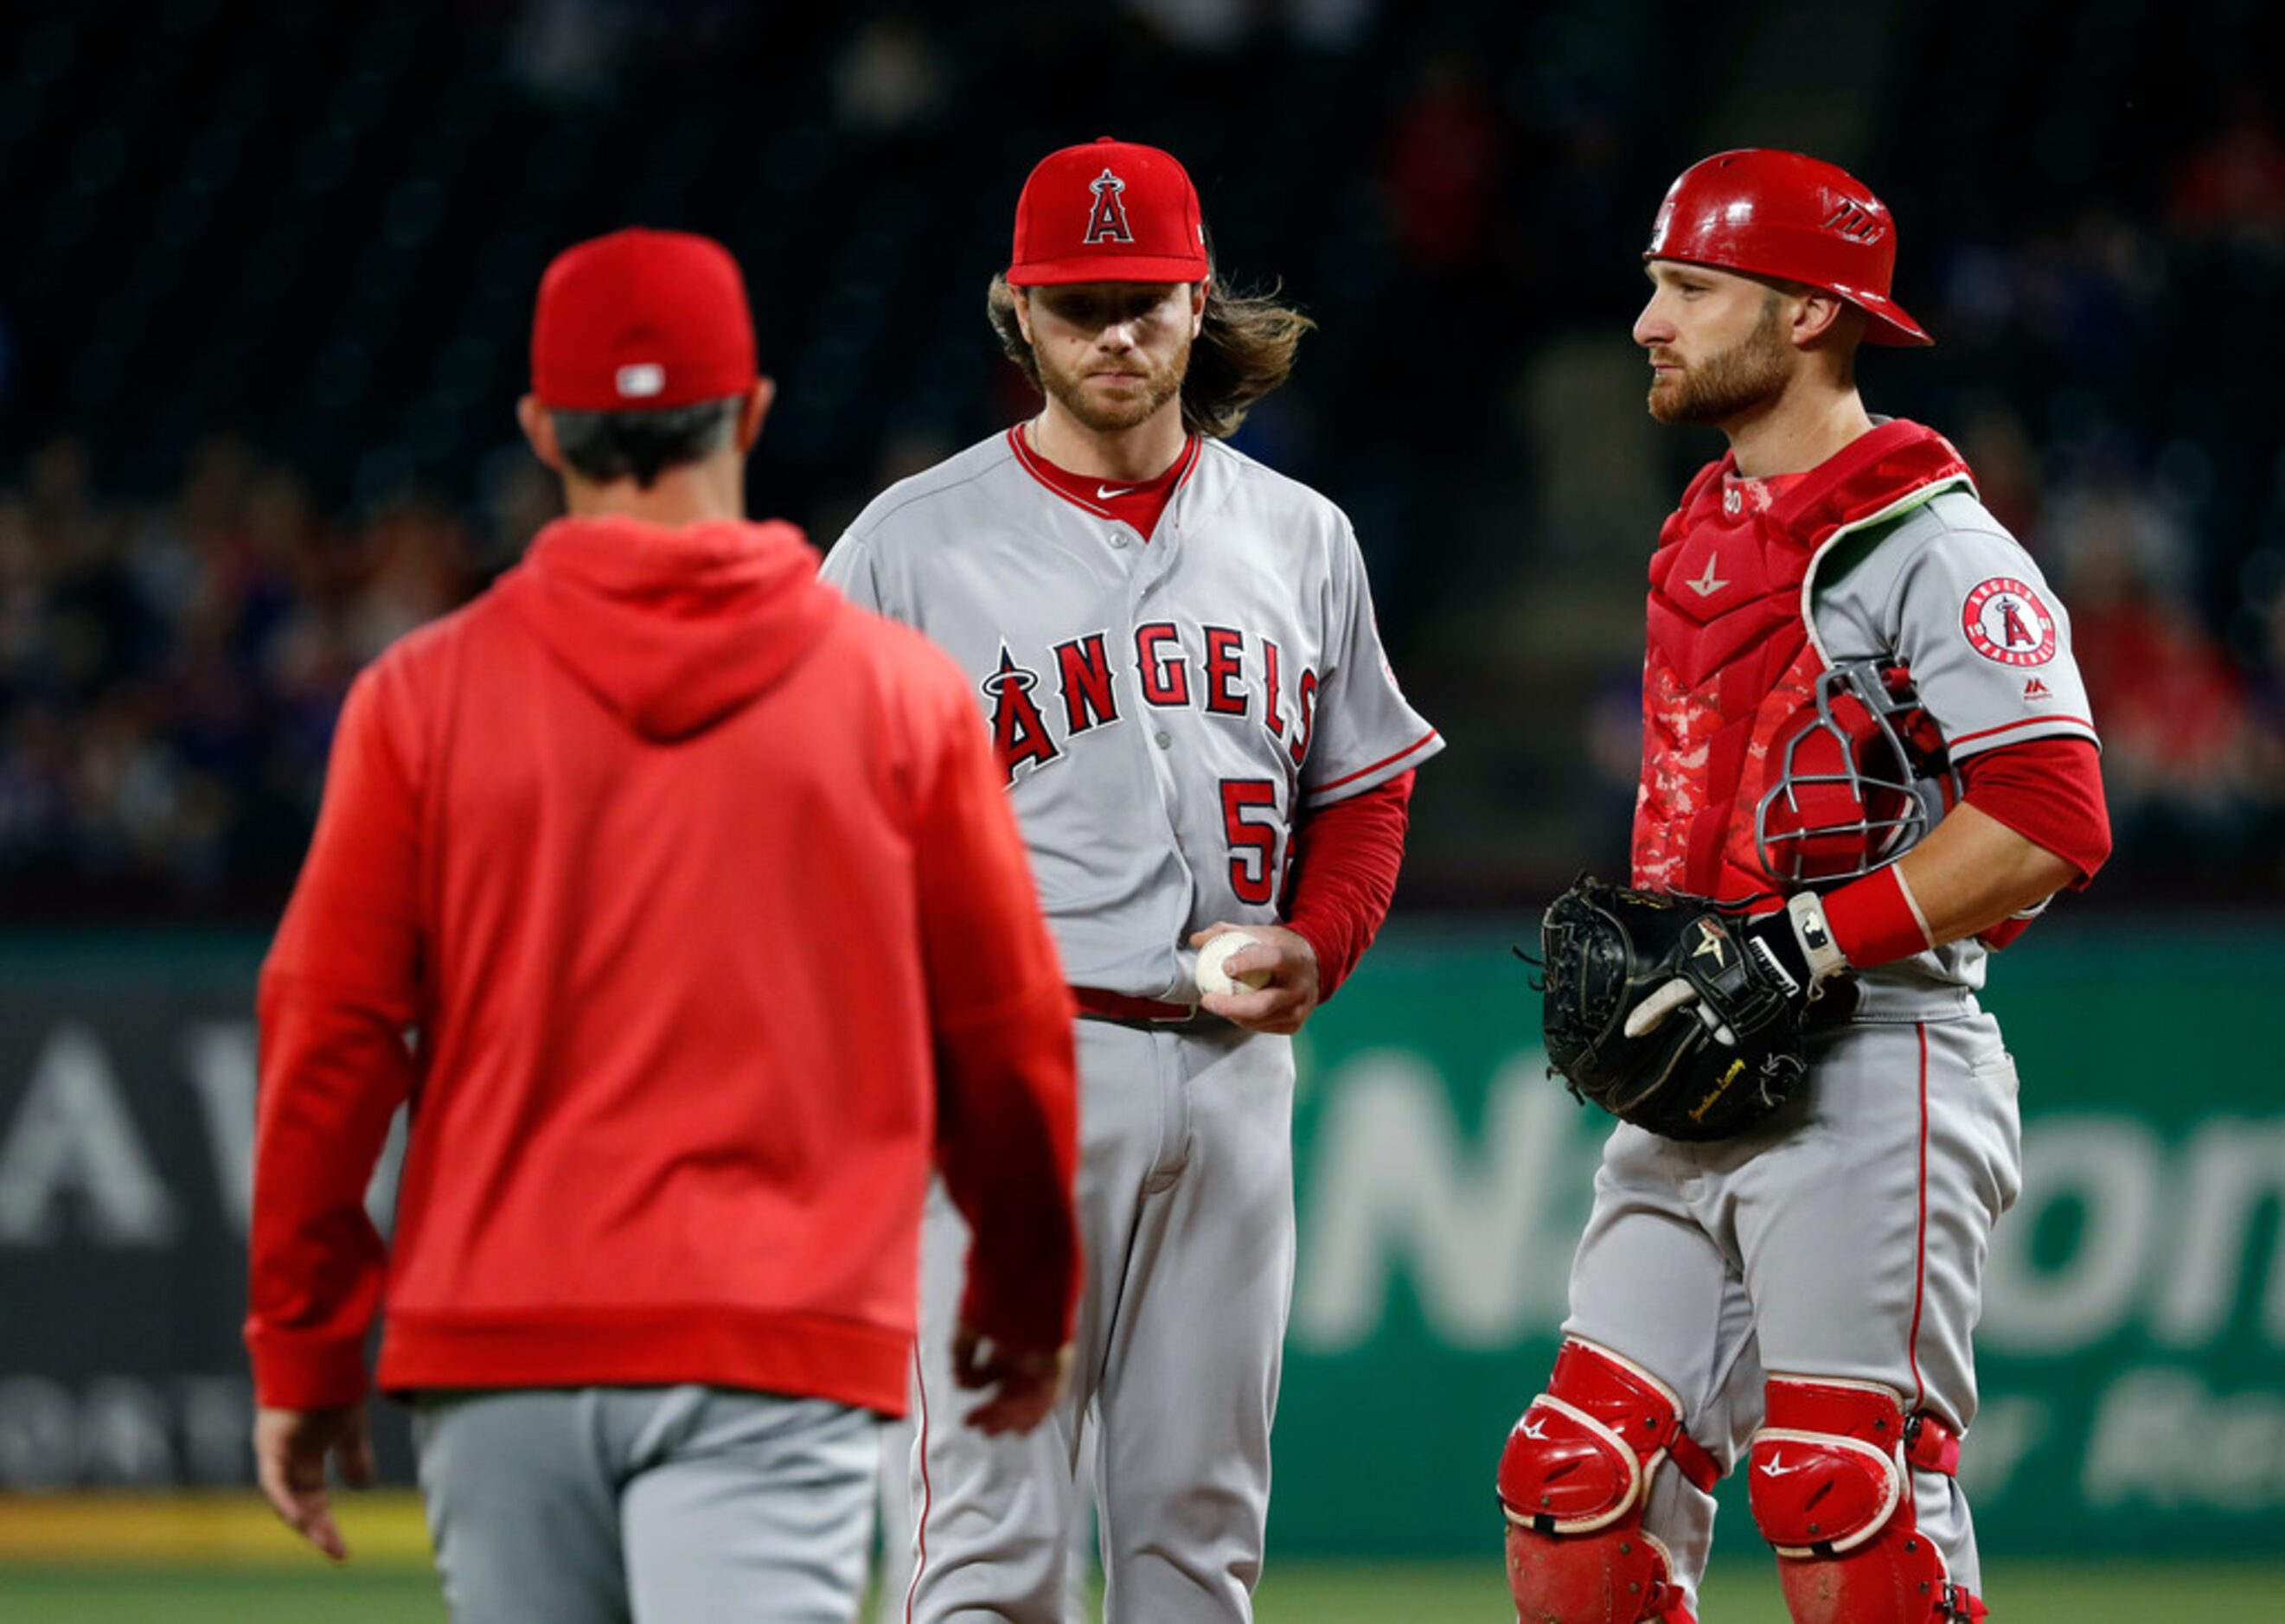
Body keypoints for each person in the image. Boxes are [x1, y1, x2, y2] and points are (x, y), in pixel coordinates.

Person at [243, 227, 1083, 1624]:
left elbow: (329, 1039)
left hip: (497, 1342)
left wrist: (304, 1347)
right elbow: (1002, 1032)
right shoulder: (896, 698)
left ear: (539, 429)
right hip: (775, 1337)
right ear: (751, 411)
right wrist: (1020, 1282)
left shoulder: (421, 697)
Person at [822, 137, 1442, 1623]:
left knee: (1195, 1547)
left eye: (1145, 300)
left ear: (1195, 299)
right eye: (1077, 302)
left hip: (1231, 1078)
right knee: (992, 1547)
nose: (1115, 334)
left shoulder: (1301, 538)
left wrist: (1322, 938)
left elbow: (1362, 784)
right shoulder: (908, 547)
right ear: (1015, 312)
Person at [1495, 150, 2113, 1624]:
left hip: (1877, 1054)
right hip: (1698, 1061)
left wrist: (1800, 940)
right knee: (1573, 1482)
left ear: (1813, 315)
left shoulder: (1932, 541)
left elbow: (2050, 815)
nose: (1649, 319)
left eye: (1689, 288)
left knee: (1845, 1493)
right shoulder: (1704, 530)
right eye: (1657, 282)